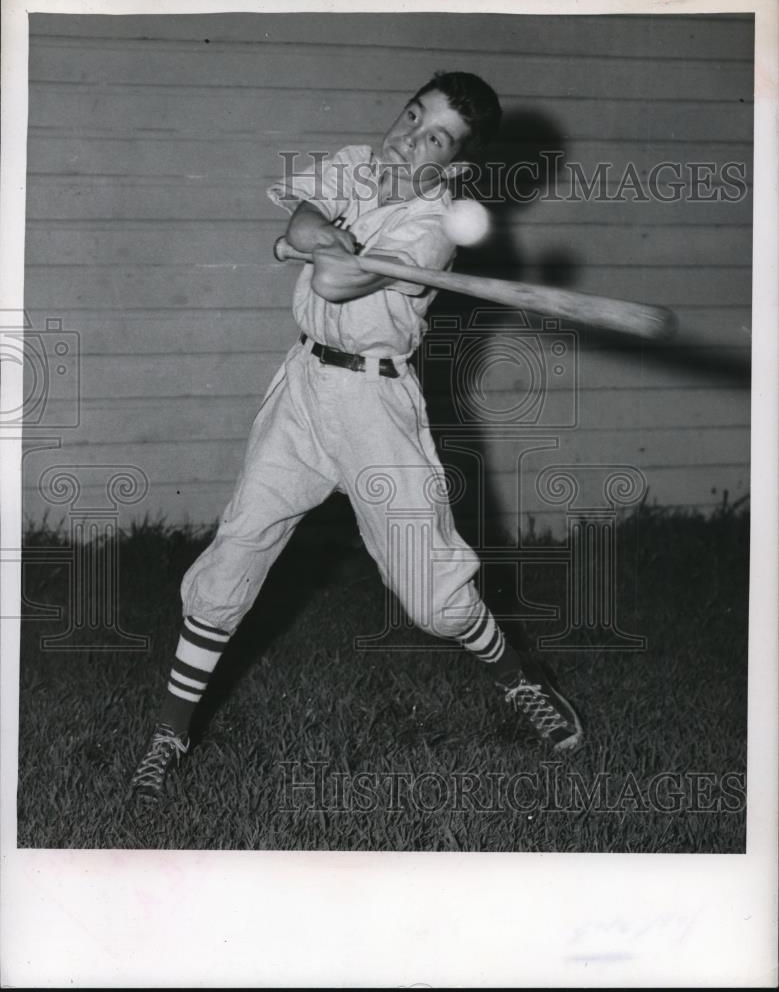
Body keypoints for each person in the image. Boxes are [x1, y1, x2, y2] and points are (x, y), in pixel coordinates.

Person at [130, 71, 583, 801]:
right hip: (303, 389)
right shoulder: (351, 164)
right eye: (412, 116)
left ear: (456, 165)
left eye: (435, 138)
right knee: (235, 551)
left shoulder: (437, 226)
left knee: (435, 600)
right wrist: (323, 237)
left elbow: (335, 284)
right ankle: (169, 732)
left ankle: (519, 679)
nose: (408, 138)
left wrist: (327, 247)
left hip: (375, 407)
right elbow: (302, 226)